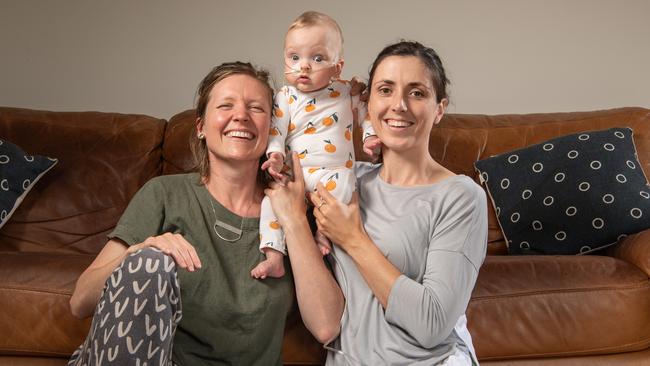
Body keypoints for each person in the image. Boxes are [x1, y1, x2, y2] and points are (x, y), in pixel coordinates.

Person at [266, 41, 488, 365]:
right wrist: (296, 222)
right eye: (385, 90)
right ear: (367, 104)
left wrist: (353, 238)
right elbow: (326, 327)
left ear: (439, 108)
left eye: (417, 93)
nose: (399, 105)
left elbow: (432, 325)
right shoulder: (341, 182)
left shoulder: (460, 197)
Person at [67, 62, 294, 365]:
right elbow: (80, 301)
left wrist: (295, 217)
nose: (241, 115)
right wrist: (139, 250)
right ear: (200, 127)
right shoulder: (164, 193)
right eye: (226, 105)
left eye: (256, 108)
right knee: (148, 263)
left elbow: (327, 323)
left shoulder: (290, 209)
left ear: (273, 128)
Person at [251, 11, 380, 279]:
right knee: (270, 202)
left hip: (332, 173)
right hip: (295, 175)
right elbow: (276, 130)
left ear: (338, 67)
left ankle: (324, 235)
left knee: (347, 182)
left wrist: (369, 136)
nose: (304, 66)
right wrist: (274, 155)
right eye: (294, 57)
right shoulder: (284, 97)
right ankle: (274, 256)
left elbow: (365, 113)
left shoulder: (346, 92)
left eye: (317, 58)